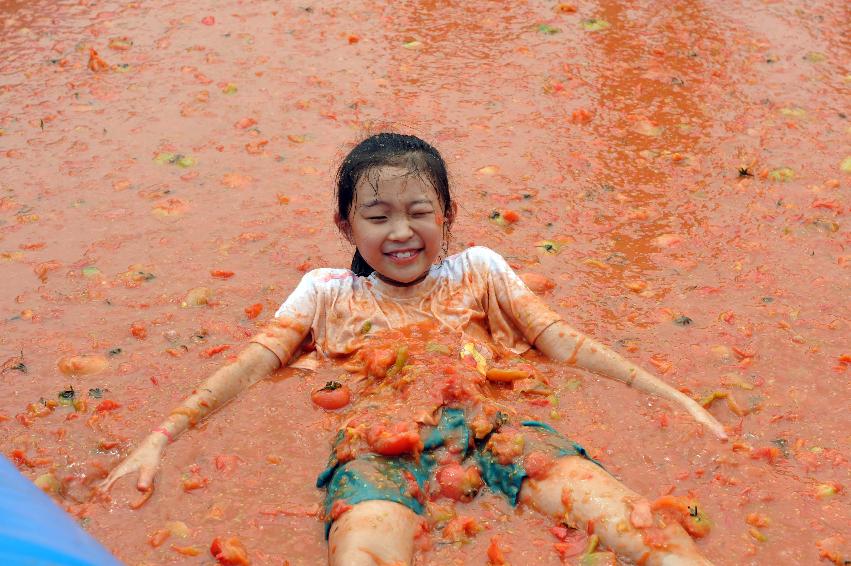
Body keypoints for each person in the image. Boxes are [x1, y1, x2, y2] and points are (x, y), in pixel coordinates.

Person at [100, 133, 726, 565]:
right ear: (347, 225)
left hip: (503, 432)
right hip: (374, 450)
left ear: (448, 214)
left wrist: (673, 397)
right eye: (376, 216)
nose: (401, 232)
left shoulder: (479, 271)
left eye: (419, 211)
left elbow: (564, 342)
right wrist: (160, 437)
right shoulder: (325, 292)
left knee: (653, 539)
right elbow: (248, 367)